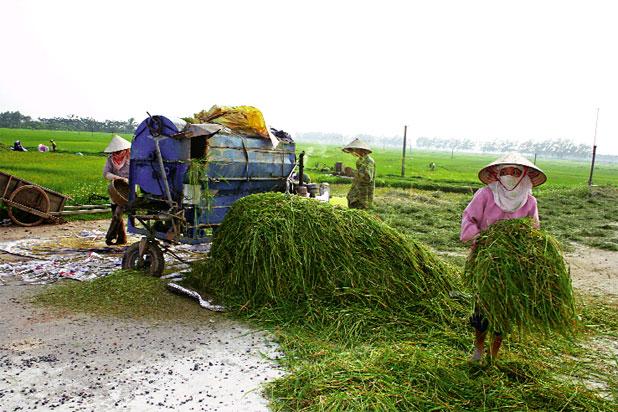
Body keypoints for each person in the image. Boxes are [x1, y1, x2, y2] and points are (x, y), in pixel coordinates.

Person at [460, 152, 547, 362]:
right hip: (485, 260)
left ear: (524, 175)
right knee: (482, 308)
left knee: (504, 310)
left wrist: (526, 249)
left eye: (515, 172)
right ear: (497, 174)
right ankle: (478, 350)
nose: (510, 175)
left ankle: (494, 355)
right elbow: (469, 219)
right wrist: (480, 237)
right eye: (505, 171)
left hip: (513, 264)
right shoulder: (485, 195)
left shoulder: (529, 201)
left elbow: (533, 230)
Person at [102, 134, 131, 245]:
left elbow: (139, 175)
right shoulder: (110, 159)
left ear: (124, 150)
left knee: (117, 214)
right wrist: (118, 178)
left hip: (128, 190)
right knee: (116, 213)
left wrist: (128, 180)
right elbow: (106, 173)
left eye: (118, 152)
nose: (116, 154)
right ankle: (121, 239)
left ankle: (110, 237)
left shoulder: (132, 159)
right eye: (114, 152)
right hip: (115, 189)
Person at [342, 138, 375, 209]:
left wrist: (353, 172)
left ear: (362, 150)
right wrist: (349, 173)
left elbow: (368, 178)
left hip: (363, 197)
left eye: (355, 150)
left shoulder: (369, 161)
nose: (354, 152)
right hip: (355, 194)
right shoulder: (359, 160)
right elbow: (358, 176)